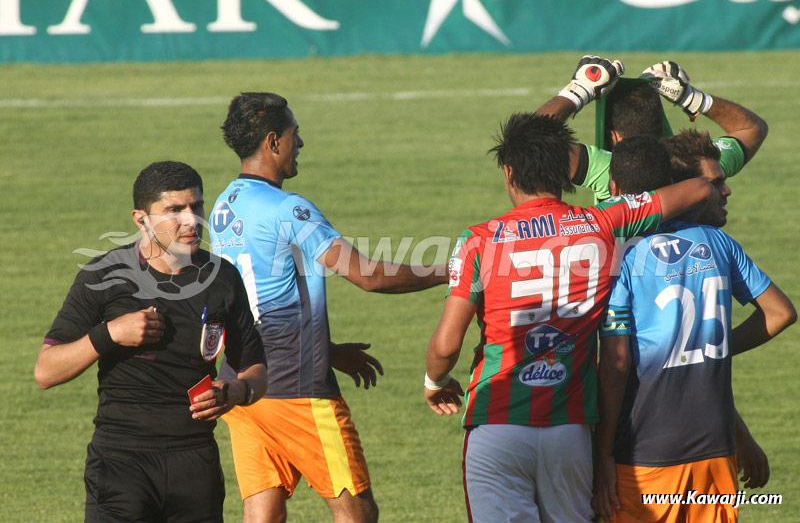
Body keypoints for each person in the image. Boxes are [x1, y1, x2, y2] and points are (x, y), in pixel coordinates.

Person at [423, 115, 716, 523]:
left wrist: (434, 382)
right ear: (564, 170)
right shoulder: (601, 222)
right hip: (572, 430)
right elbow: (700, 187)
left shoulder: (478, 240)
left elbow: (446, 346)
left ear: (509, 172)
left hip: (498, 423)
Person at [210, 92, 447, 523]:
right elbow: (368, 275)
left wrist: (327, 348)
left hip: (244, 381)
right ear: (273, 141)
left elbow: (252, 297)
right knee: (355, 510)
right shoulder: (289, 208)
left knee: (263, 512)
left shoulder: (224, 206)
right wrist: (451, 270)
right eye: (294, 133)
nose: (300, 142)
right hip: (296, 389)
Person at [34, 161, 268, 522]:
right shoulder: (104, 275)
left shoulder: (222, 278)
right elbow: (46, 371)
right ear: (140, 219)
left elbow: (256, 369)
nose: (191, 220)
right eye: (174, 210)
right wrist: (109, 334)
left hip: (195, 462)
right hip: (121, 463)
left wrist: (234, 392)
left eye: (196, 206)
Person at [592, 131, 796, 522]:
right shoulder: (719, 243)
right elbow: (780, 313)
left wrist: (602, 453)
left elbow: (616, 367)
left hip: (645, 453)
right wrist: (712, 343)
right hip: (716, 448)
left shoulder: (620, 258)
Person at [536, 56, 768, 203]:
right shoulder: (696, 164)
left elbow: (531, 142)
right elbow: (751, 128)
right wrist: (692, 98)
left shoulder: (609, 167)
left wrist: (579, 90)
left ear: (614, 137)